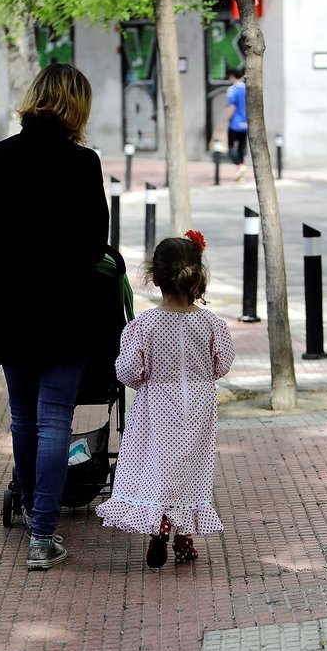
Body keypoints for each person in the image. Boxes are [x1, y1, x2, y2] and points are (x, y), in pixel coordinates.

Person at [0, 63, 108, 571]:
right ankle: (42, 535)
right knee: (56, 417)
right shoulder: (84, 163)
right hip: (66, 305)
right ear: (77, 105)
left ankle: (36, 510)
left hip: (13, 301)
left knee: (22, 416)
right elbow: (96, 240)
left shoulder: (0, 156)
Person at [95, 231, 235, 568]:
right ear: (197, 276)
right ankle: (184, 538)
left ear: (154, 278)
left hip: (156, 409)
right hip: (199, 407)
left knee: (159, 468)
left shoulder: (145, 325)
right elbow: (223, 363)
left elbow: (128, 370)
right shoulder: (212, 323)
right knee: (191, 469)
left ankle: (159, 527)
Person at [215, 68, 248, 181]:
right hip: (245, 124)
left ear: (232, 77)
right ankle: (240, 176)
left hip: (235, 124)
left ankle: (240, 166)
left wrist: (223, 123)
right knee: (241, 149)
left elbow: (231, 107)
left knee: (230, 149)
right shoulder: (246, 88)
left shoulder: (233, 90)